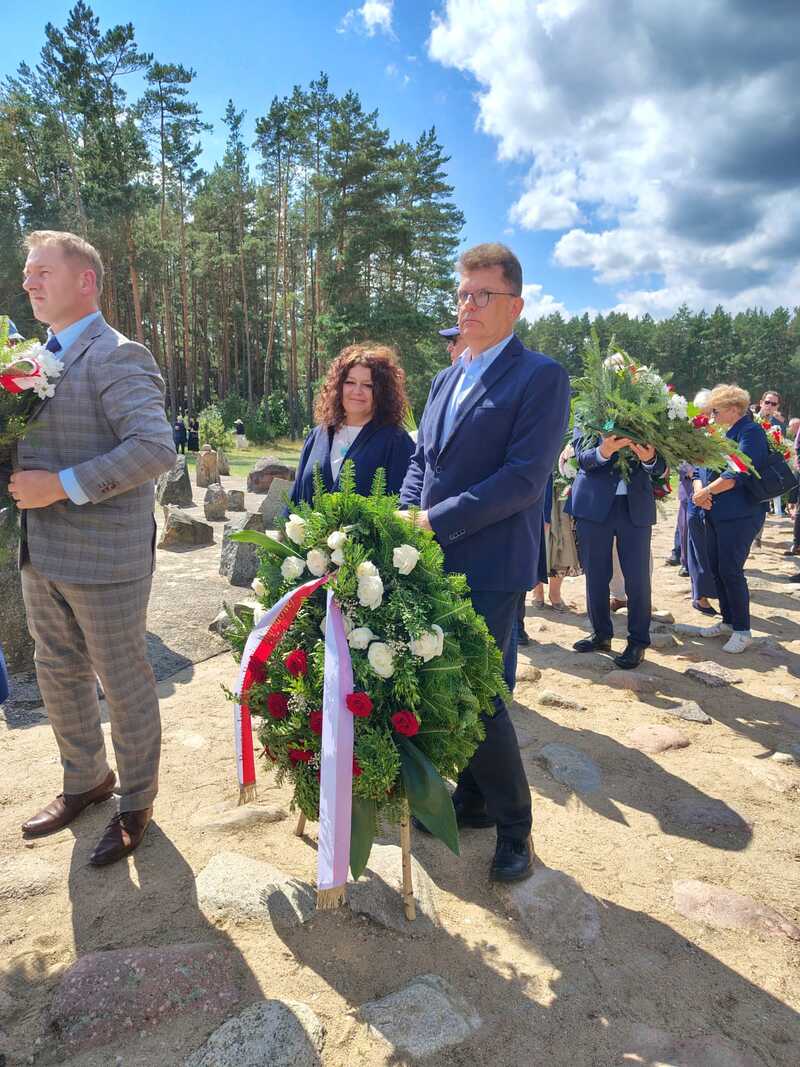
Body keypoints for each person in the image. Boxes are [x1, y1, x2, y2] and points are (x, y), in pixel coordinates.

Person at [399, 242, 570, 883]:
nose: (467, 306)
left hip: (492, 563)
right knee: (446, 681)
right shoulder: (447, 378)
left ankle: (515, 826)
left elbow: (524, 479)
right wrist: (403, 516)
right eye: (462, 294)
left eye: (483, 295)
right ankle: (471, 801)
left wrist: (434, 520)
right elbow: (422, 461)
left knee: (483, 692)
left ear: (515, 306)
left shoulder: (540, 377)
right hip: (432, 558)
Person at [10, 230, 175, 865]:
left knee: (122, 680)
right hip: (40, 552)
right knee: (57, 671)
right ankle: (85, 779)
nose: (29, 282)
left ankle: (136, 800)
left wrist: (59, 486)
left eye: (42, 272)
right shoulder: (30, 359)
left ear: (85, 281)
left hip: (105, 559)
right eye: (27, 273)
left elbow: (155, 448)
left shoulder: (118, 355)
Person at [567, 418, 666, 670]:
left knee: (638, 578)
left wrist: (650, 458)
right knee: (596, 575)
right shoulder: (590, 414)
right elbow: (582, 458)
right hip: (593, 506)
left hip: (635, 508)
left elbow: (663, 466)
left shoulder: (648, 412)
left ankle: (638, 642)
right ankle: (601, 635)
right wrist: (605, 450)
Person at [691, 385, 770, 653]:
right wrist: (700, 492)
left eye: (716, 410)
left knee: (731, 571)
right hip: (715, 512)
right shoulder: (723, 432)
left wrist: (706, 492)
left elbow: (739, 471)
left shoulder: (750, 432)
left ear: (734, 409)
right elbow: (700, 468)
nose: (712, 415)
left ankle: (742, 630)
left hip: (740, 514)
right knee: (716, 568)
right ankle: (728, 621)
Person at [289, 342, 415, 506]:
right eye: (350, 382)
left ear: (382, 392)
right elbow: (295, 500)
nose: (357, 391)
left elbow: (403, 507)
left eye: (368, 385)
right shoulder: (317, 436)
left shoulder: (396, 441)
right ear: (337, 386)